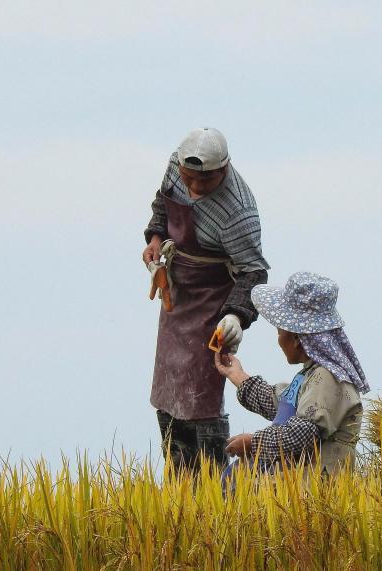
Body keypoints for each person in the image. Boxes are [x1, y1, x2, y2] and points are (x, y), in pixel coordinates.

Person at [142, 127, 269, 472]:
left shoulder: (238, 211)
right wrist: (156, 239)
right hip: (179, 289)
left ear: (224, 169)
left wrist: (236, 316)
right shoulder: (174, 165)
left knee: (202, 388)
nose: (195, 188)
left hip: (215, 297)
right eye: (189, 179)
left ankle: (213, 477)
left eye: (206, 181)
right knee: (169, 387)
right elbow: (162, 205)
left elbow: (254, 272)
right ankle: (178, 475)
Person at [214, 272, 368, 478]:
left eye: (279, 331)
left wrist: (254, 443)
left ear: (296, 338)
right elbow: (283, 405)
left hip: (314, 493)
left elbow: (303, 433)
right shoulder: (312, 376)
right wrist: (237, 375)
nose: (278, 339)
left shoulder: (329, 378)